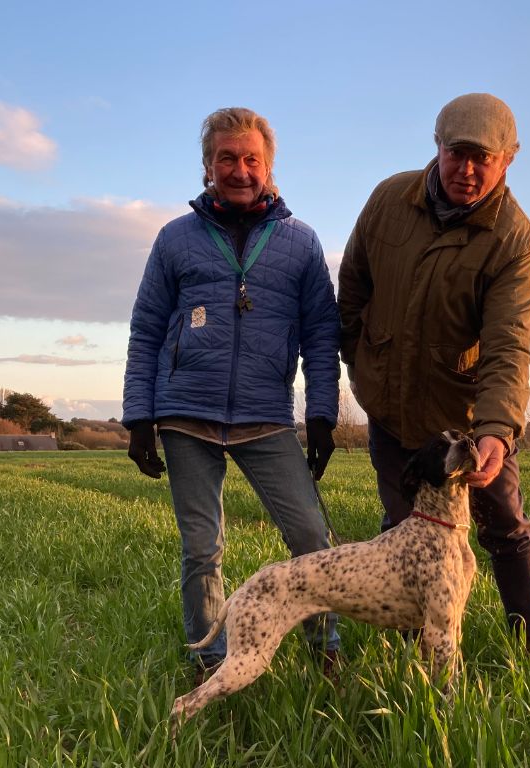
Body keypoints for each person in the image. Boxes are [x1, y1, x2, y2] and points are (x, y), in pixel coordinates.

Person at [123, 107, 340, 676]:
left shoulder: (301, 242)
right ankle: (208, 660)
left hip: (266, 416)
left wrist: (322, 415)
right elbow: (146, 328)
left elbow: (321, 333)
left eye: (251, 159)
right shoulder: (175, 238)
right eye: (227, 158)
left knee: (312, 539)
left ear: (268, 167)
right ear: (207, 165)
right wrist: (138, 418)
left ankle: (326, 650)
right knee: (203, 549)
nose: (239, 170)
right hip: (185, 414)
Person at [338, 93, 530, 649]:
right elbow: (353, 283)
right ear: (437, 147)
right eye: (458, 153)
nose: (469, 170)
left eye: (485, 157)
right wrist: (357, 354)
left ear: (510, 158)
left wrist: (497, 432)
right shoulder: (388, 199)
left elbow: (508, 347)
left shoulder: (515, 242)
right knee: (403, 525)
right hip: (388, 404)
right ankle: (412, 661)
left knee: (503, 527)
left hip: (466, 421)